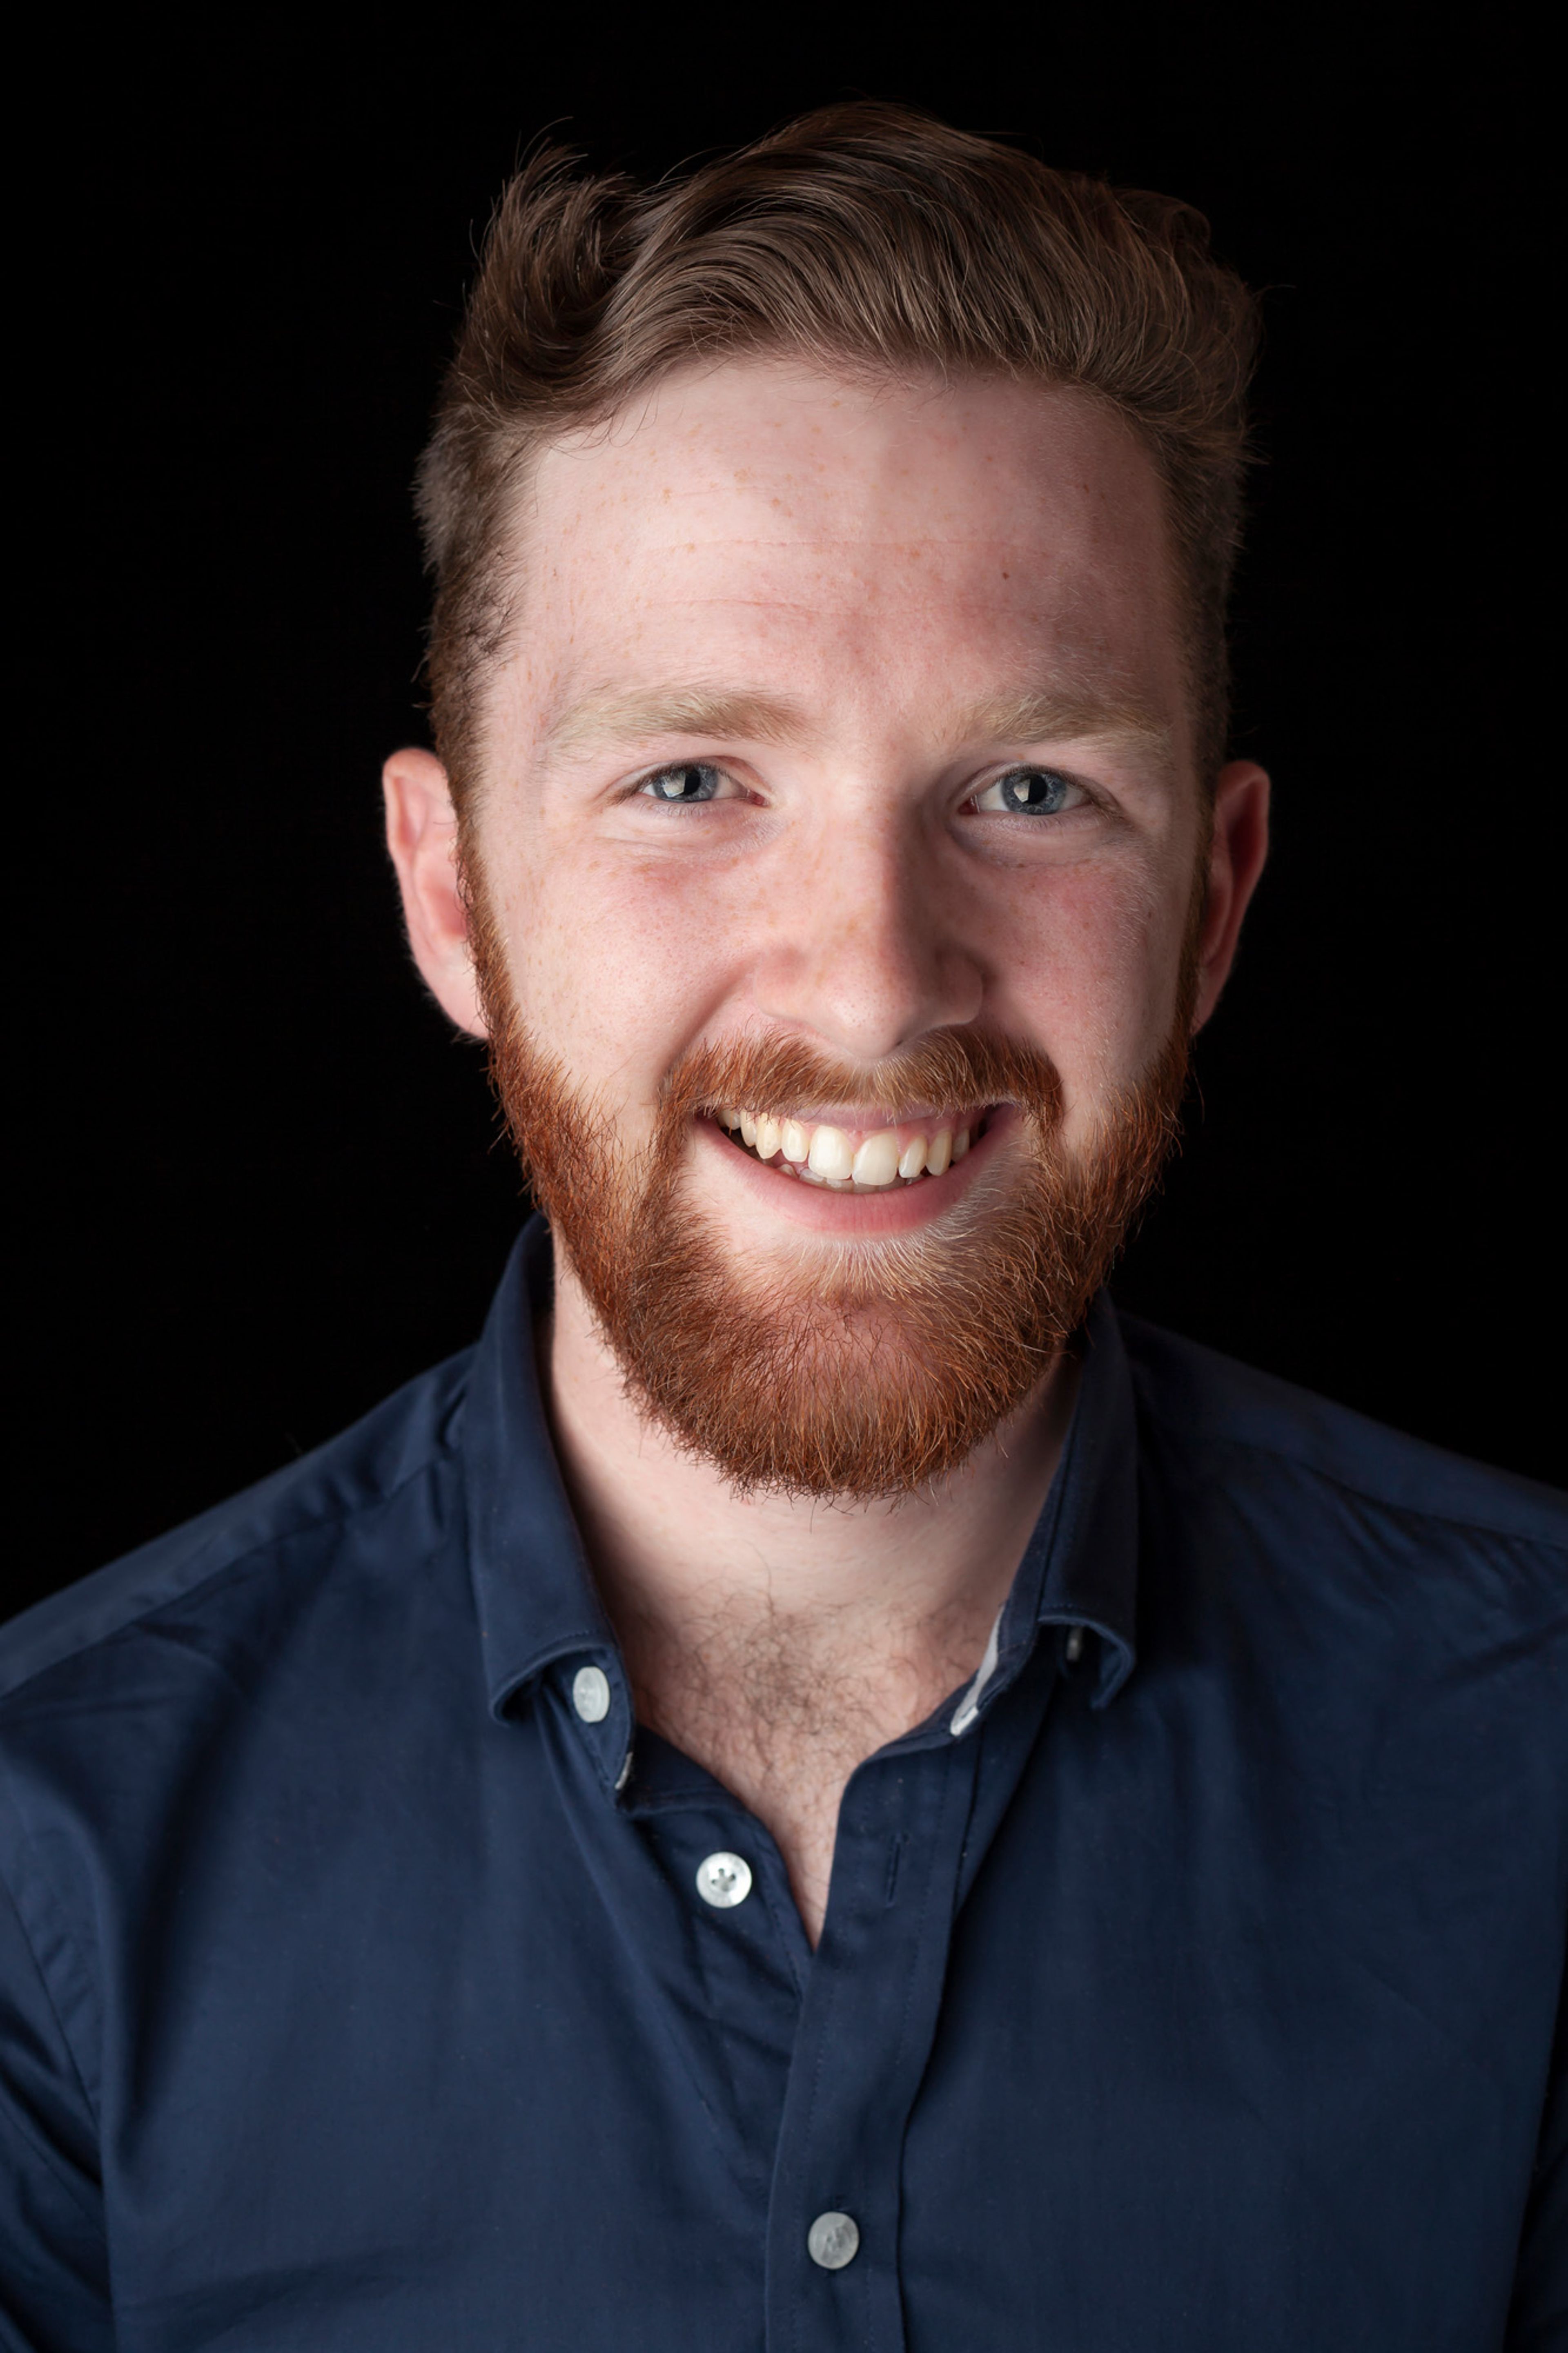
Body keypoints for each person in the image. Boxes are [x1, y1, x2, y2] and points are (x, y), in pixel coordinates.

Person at [2, 103, 1562, 2352]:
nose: (872, 981)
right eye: (693, 781)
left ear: (1213, 903)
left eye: (1029, 789)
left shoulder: (1541, 1769)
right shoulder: (51, 1856)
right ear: (449, 895)